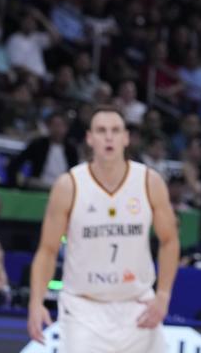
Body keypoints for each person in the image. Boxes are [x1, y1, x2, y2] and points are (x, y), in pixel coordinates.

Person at [26, 106, 179, 352]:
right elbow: (47, 250)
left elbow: (169, 240)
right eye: (101, 130)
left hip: (138, 306)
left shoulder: (149, 181)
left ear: (126, 138)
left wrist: (163, 295)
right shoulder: (69, 185)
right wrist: (36, 301)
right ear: (89, 138)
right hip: (84, 310)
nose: (109, 137)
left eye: (115, 130)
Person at [5, 112, 79, 189]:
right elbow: (16, 163)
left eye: (60, 126)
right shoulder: (38, 145)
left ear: (66, 128)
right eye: (54, 125)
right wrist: (14, 184)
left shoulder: (71, 150)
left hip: (63, 187)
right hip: (40, 185)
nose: (57, 129)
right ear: (48, 127)